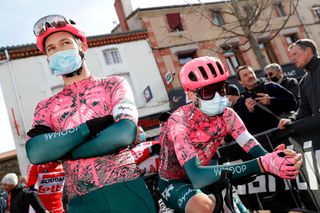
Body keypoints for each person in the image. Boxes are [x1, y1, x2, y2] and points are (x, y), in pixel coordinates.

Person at [25, 15, 156, 212]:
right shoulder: (46, 106)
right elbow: (35, 151)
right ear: (48, 59)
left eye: (65, 43)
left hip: (128, 192)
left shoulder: (113, 84)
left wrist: (65, 151)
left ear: (82, 47)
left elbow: (123, 133)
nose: (58, 51)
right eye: (51, 49)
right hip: (82, 203)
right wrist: (90, 128)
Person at [158, 56, 302, 213]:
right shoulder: (179, 120)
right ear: (192, 95)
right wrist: (262, 164)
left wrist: (278, 159)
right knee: (204, 207)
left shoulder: (229, 115)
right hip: (175, 182)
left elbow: (256, 149)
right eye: (208, 92)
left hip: (209, 174)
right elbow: (197, 176)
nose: (219, 96)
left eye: (221, 88)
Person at [236, 65, 298, 134]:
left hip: (288, 130)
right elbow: (246, 129)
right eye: (245, 75)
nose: (250, 76)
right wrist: (250, 112)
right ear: (240, 81)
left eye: (251, 73)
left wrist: (272, 101)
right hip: (270, 140)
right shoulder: (243, 102)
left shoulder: (271, 86)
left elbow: (293, 103)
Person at [279, 39, 320, 129]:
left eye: (295, 54)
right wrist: (291, 120)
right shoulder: (303, 82)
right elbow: (305, 109)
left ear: (308, 51)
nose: (292, 59)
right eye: (291, 56)